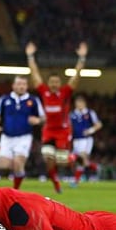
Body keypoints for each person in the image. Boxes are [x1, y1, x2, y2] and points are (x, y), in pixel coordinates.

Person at [26, 41, 88, 193]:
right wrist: (30, 56)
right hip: (48, 130)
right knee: (48, 158)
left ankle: (75, 158)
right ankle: (56, 185)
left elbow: (75, 78)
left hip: (63, 131)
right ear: (48, 83)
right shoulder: (44, 92)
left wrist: (81, 59)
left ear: (60, 83)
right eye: (51, 82)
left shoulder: (65, 93)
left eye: (56, 82)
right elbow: (35, 75)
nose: (54, 84)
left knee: (62, 161)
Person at [0, 76, 45, 189]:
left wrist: (38, 120)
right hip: (7, 137)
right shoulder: (4, 99)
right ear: (13, 86)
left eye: (24, 84)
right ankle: (18, 175)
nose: (21, 86)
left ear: (27, 86)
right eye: (19, 84)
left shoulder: (33, 100)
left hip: (24, 137)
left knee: (18, 163)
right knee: (4, 165)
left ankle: (16, 190)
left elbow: (44, 117)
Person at [69, 95, 102, 186]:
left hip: (86, 140)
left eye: (81, 103)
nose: (79, 105)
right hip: (76, 140)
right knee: (82, 161)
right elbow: (68, 126)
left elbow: (99, 124)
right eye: (77, 103)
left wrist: (90, 130)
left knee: (80, 157)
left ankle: (76, 181)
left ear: (84, 104)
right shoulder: (72, 114)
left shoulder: (90, 113)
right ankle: (96, 167)